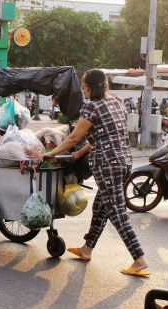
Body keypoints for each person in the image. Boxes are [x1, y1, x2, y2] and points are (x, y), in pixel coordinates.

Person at [44, 69, 148, 277]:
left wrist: (51, 154)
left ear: (89, 87)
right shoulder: (116, 102)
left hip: (106, 165)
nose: (84, 91)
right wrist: (78, 154)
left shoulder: (92, 107)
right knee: (100, 208)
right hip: (123, 162)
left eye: (84, 87)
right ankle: (87, 249)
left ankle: (139, 259)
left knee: (117, 213)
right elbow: (103, 136)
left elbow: (74, 137)